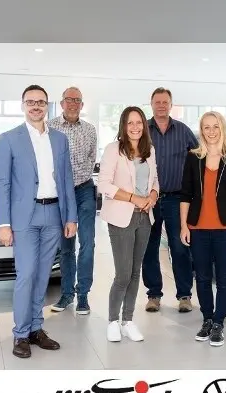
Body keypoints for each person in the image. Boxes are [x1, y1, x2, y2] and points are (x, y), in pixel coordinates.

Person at [0, 84, 78, 359]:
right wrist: (3, 223)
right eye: (30, 102)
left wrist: (71, 216)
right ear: (23, 106)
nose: (36, 106)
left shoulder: (60, 140)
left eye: (41, 102)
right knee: (26, 274)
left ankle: (35, 329)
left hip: (53, 214)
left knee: (43, 276)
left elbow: (66, 180)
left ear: (47, 106)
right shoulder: (9, 139)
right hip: (24, 217)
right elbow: (2, 184)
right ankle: (20, 333)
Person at [180, 111, 226, 347]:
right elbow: (185, 195)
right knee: (202, 277)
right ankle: (207, 319)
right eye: (206, 127)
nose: (211, 131)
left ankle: (219, 322)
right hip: (198, 228)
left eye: (215, 126)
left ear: (222, 129)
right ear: (201, 130)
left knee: (225, 278)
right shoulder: (193, 158)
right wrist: (184, 225)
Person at [98, 106, 159, 343]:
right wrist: (134, 198)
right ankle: (113, 321)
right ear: (123, 126)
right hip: (121, 217)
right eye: (130, 123)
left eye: (139, 122)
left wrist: (153, 195)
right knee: (123, 274)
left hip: (144, 217)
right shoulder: (113, 149)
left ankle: (128, 321)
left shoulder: (149, 150)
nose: (135, 127)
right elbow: (104, 185)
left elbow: (155, 180)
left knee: (135, 273)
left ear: (144, 125)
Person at [142, 87, 198, 314]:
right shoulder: (142, 130)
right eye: (157, 102)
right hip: (149, 199)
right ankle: (154, 295)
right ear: (151, 104)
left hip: (177, 199)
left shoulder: (183, 131)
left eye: (165, 102)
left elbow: (198, 159)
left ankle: (184, 295)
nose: (161, 105)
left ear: (171, 105)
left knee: (180, 247)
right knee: (149, 247)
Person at [48, 86, 98, 316]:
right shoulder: (50, 127)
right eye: (69, 99)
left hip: (84, 189)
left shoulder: (89, 129)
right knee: (66, 246)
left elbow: (91, 159)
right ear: (62, 103)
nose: (73, 103)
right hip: (60, 194)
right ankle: (67, 294)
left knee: (87, 244)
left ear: (82, 105)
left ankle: (83, 295)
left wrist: (78, 179)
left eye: (77, 100)